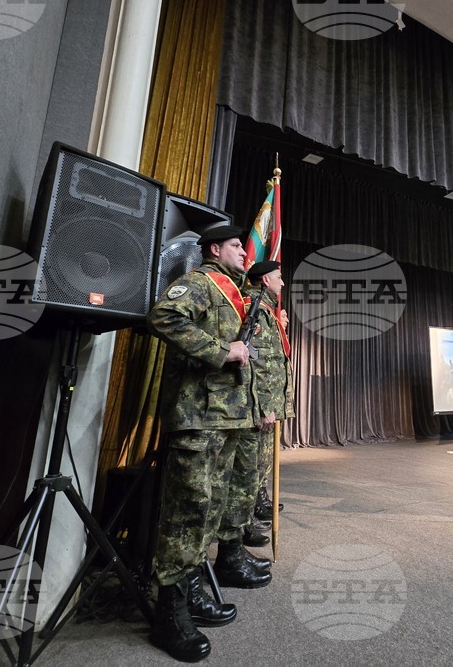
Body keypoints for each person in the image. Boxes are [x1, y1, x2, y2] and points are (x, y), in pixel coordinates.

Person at [146, 225, 269, 664]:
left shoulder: (235, 292)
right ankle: (169, 611)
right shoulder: (199, 283)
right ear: (215, 249)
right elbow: (163, 316)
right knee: (189, 510)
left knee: (211, 507)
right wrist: (222, 351)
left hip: (228, 416)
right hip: (198, 416)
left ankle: (191, 588)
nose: (244, 251)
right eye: (237, 245)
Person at [240, 260, 295, 534]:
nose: (282, 283)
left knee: (259, 466)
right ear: (265, 280)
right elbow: (258, 362)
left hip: (265, 403)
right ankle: (243, 521)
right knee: (252, 468)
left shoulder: (266, 311)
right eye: (279, 277)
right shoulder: (256, 311)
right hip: (259, 405)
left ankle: (252, 510)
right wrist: (264, 406)